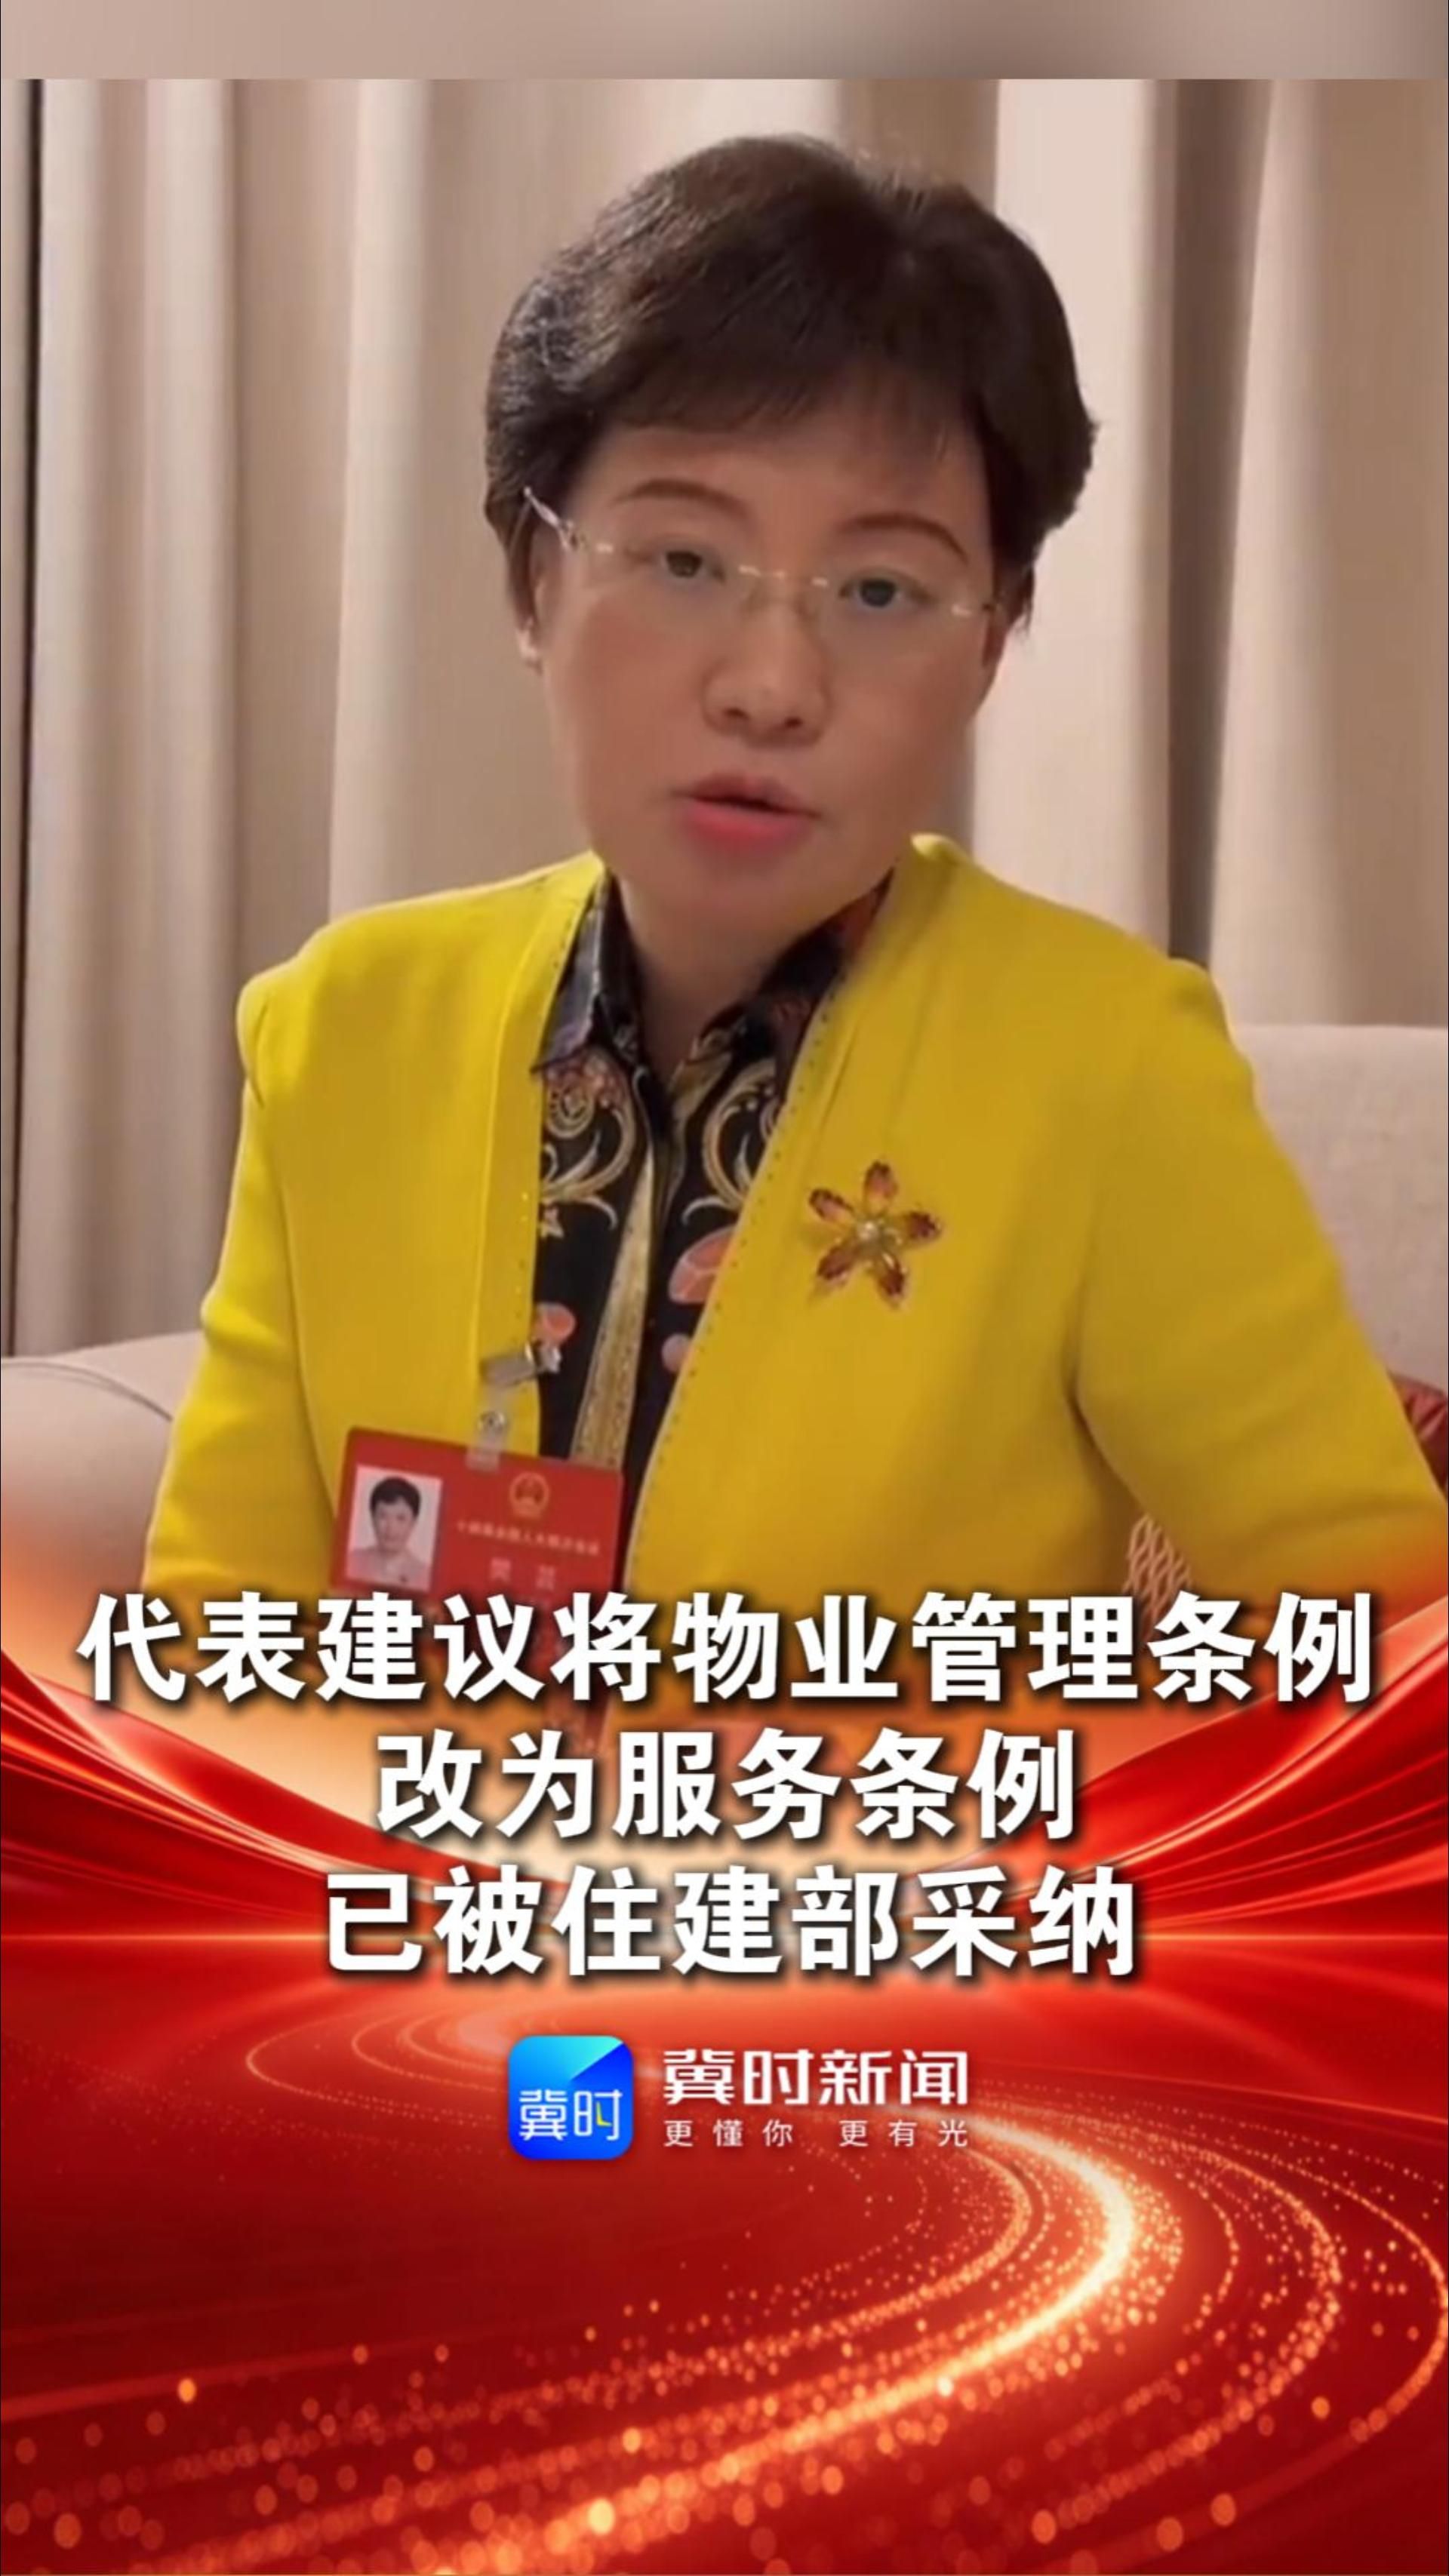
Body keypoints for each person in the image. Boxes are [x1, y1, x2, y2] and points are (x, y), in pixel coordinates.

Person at [143, 133, 1445, 1673]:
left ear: (991, 643)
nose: (771, 685)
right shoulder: (345, 1030)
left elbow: (1391, 1658)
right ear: (532, 579)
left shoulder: (1106, 1068)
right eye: (685, 558)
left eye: (882, 590)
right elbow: (212, 1643)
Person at [345, 1475, 434, 1594]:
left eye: (401, 1518)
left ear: (413, 1523)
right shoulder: (351, 1561)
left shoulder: (425, 1576)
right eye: (383, 1516)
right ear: (373, 1518)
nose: (391, 1528)